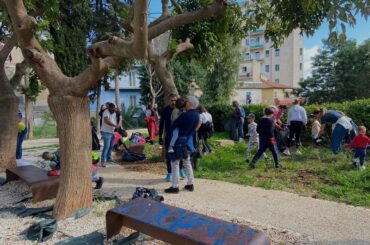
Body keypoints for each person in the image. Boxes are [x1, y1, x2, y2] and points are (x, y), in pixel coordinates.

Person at [165, 96, 200, 194]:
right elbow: (194, 129)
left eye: (187, 101)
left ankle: (175, 186)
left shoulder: (185, 115)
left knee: (175, 163)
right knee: (187, 162)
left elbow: (174, 125)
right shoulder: (197, 115)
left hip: (177, 141)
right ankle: (190, 184)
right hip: (187, 141)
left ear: (191, 103)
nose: (186, 102)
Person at [158, 94, 178, 182]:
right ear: (169, 100)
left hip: (178, 135)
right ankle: (169, 173)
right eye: (171, 100)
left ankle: (180, 170)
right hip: (169, 136)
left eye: (175, 100)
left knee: (179, 154)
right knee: (169, 155)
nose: (173, 102)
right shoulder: (165, 110)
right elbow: (162, 123)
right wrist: (160, 136)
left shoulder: (179, 110)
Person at [101, 103, 120, 167]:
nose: (115, 109)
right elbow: (106, 121)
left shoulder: (114, 113)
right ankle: (103, 161)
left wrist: (117, 127)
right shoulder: (105, 112)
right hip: (106, 132)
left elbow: (115, 120)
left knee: (111, 146)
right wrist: (115, 125)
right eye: (113, 107)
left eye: (115, 108)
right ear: (110, 107)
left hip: (112, 132)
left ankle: (109, 159)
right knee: (106, 146)